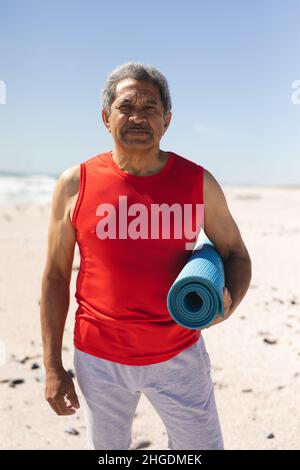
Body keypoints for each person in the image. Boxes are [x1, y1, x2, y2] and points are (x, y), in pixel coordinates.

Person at [40, 62, 252, 450]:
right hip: (98, 358)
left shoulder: (196, 181)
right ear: (106, 117)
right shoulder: (75, 184)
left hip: (179, 353)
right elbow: (55, 276)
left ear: (166, 120)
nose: (138, 116)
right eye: (126, 107)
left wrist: (228, 304)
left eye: (150, 107)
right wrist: (53, 365)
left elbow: (235, 253)